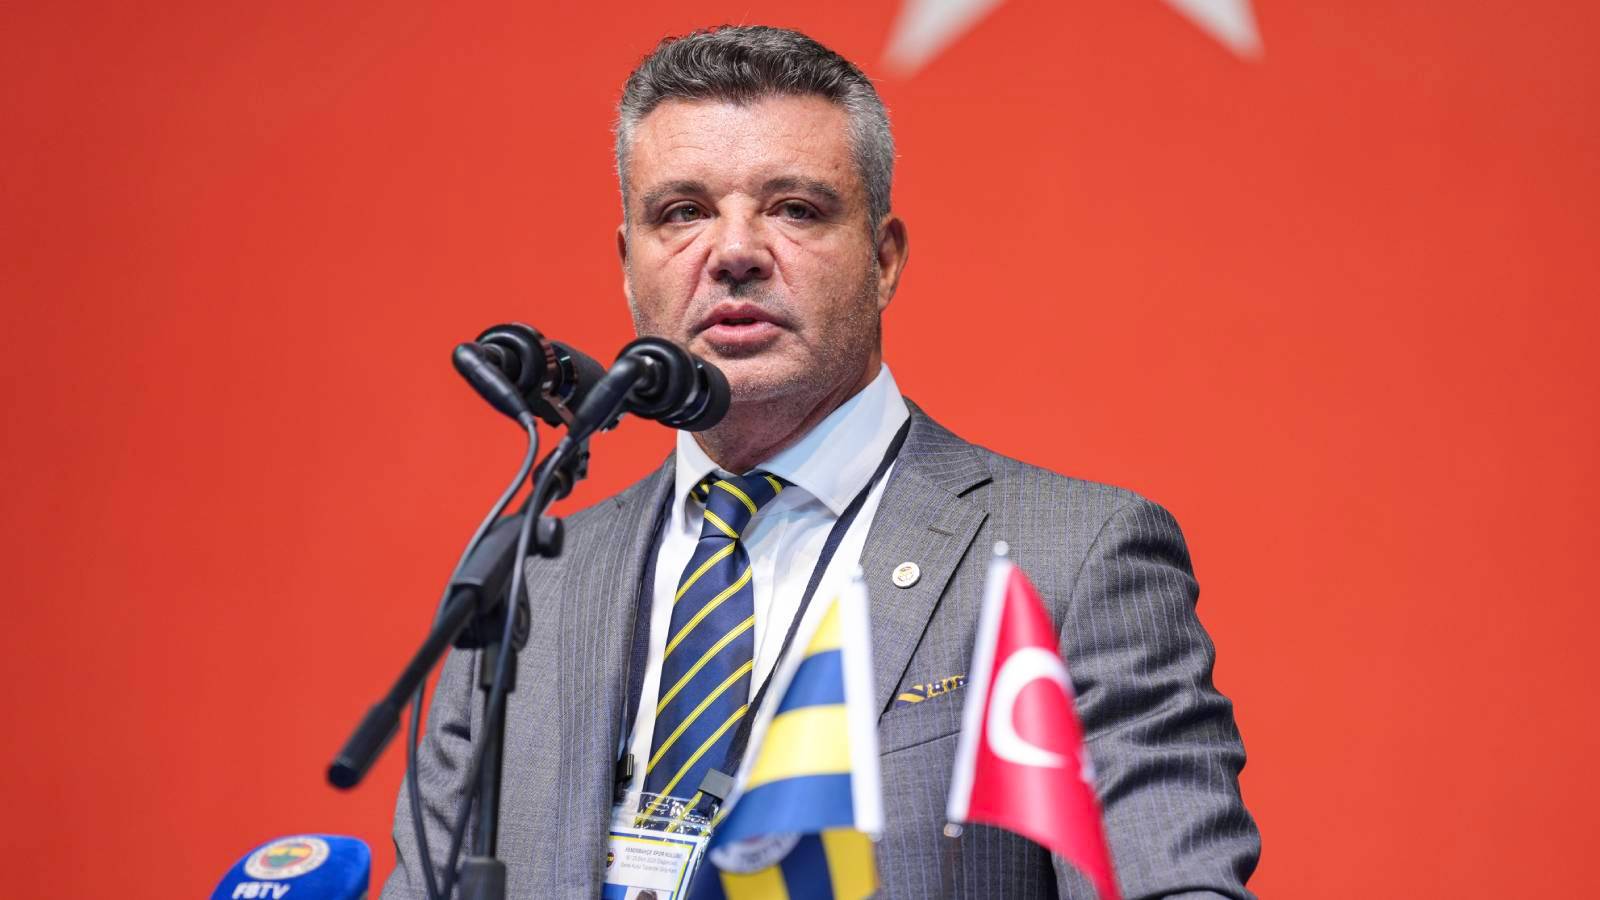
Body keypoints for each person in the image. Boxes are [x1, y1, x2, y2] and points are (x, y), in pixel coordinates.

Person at [386, 25, 1258, 899]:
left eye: (795, 209)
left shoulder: (1066, 562)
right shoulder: (525, 590)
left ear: (884, 260)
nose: (734, 253)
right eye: (682, 212)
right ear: (628, 266)